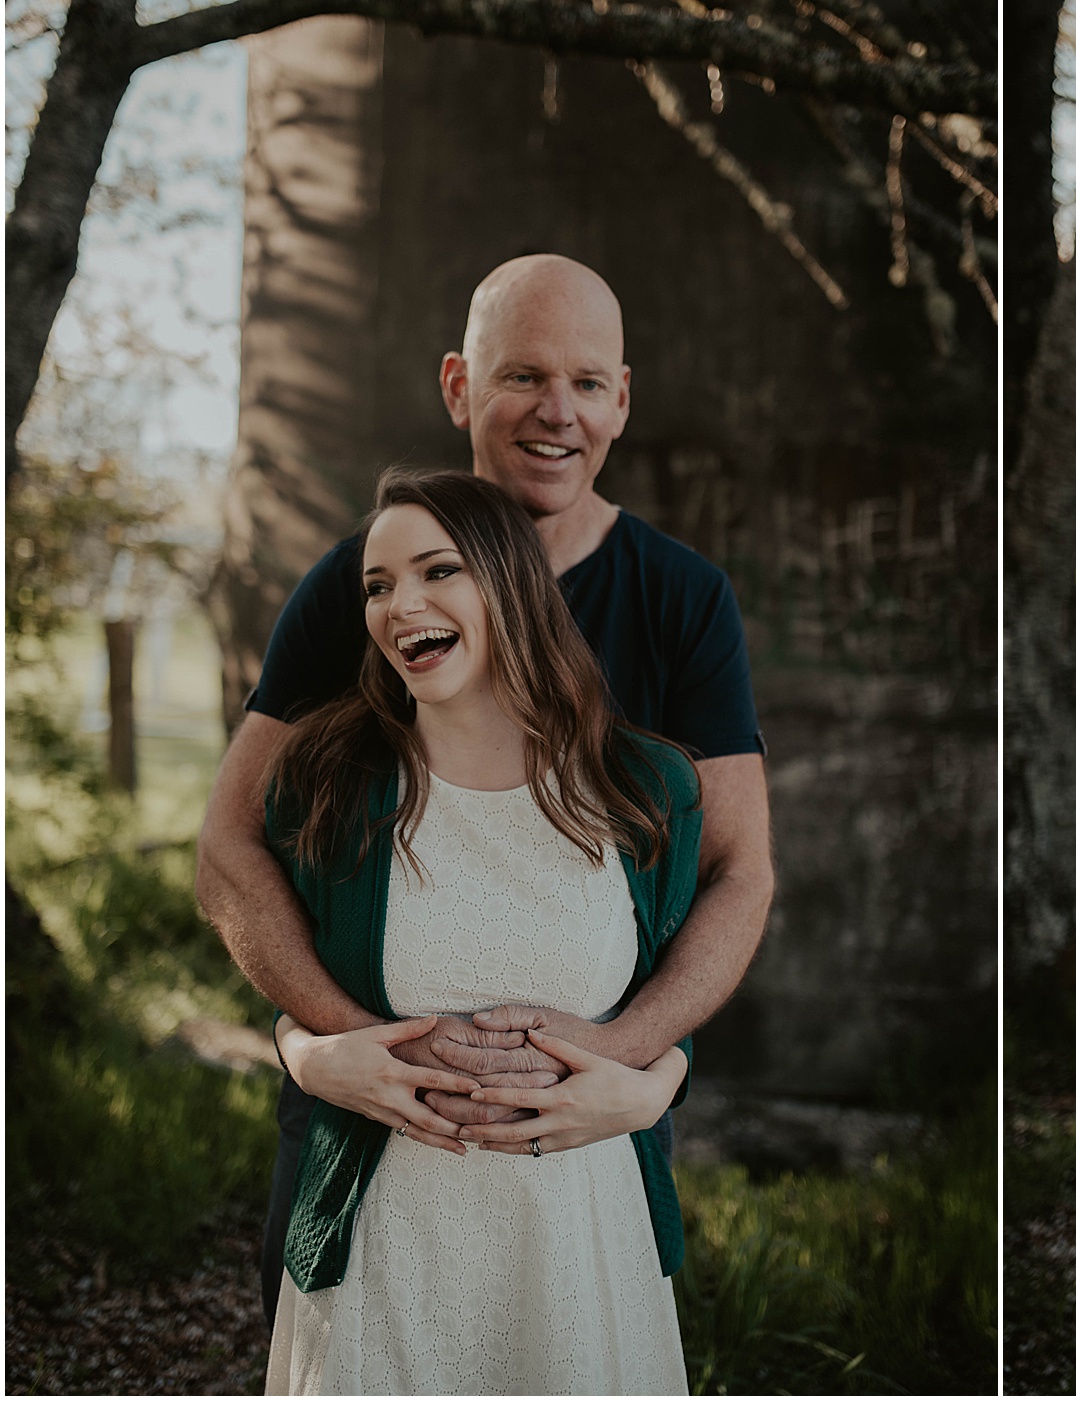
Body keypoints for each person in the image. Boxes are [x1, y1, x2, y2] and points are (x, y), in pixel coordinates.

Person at [195, 255, 775, 1327]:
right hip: (360, 1119)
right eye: (523, 378)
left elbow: (739, 871)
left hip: (586, 1121)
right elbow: (229, 843)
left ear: (621, 400)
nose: (558, 413)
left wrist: (631, 1059)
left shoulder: (681, 600)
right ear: (459, 387)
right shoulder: (360, 588)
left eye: (588, 383)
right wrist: (341, 1042)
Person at [261, 468, 699, 1393]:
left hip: (584, 1242)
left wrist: (661, 1081)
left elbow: (669, 985)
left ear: (509, 582)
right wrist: (303, 1049)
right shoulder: (333, 781)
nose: (398, 604)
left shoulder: (644, 785)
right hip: (388, 1250)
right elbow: (287, 962)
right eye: (378, 585)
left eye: (436, 570)